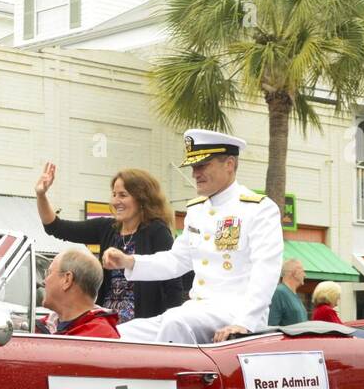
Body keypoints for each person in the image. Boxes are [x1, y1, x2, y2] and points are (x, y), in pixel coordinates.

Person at [102, 129, 283, 344]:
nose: (195, 173)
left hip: (236, 313)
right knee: (118, 333)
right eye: (194, 167)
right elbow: (176, 260)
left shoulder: (258, 209)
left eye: (202, 165)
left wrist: (245, 322)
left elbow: (266, 270)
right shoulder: (197, 210)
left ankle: (169, 377)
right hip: (197, 310)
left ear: (230, 165)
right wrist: (129, 261)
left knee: (175, 323)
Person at [35, 163, 185, 324]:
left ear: (142, 198)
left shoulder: (157, 231)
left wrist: (172, 328)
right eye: (114, 194)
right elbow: (56, 228)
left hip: (142, 327)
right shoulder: (106, 228)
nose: (116, 201)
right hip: (107, 324)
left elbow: (173, 285)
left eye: (123, 195)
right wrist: (41, 195)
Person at [41, 248, 120, 338]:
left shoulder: (99, 339)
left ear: (67, 279)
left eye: (49, 273)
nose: (44, 281)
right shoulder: (44, 326)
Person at [268, 259, 307, 326]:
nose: (305, 275)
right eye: (303, 271)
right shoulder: (278, 293)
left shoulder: (294, 295)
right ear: (295, 273)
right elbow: (271, 326)